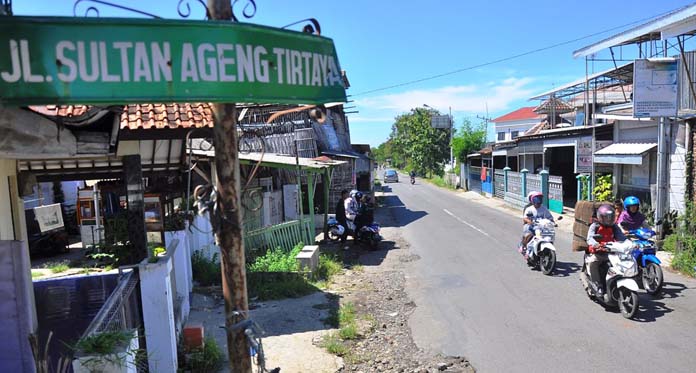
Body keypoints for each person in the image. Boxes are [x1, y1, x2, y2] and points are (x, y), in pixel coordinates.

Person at [586, 204, 626, 297]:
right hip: (599, 252)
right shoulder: (595, 226)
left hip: (612, 252)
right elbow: (590, 238)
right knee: (593, 262)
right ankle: (597, 285)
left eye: (610, 218)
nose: (608, 220)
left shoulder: (614, 226)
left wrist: (629, 244)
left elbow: (621, 237)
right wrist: (596, 244)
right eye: (606, 218)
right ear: (600, 217)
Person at [519, 191, 554, 258]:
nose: (538, 203)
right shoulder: (529, 209)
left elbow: (549, 217)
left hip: (541, 226)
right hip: (531, 226)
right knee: (529, 235)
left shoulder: (544, 208)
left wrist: (552, 222)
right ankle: (525, 248)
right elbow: (525, 218)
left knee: (549, 235)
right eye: (536, 200)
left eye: (540, 200)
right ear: (532, 201)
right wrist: (529, 221)